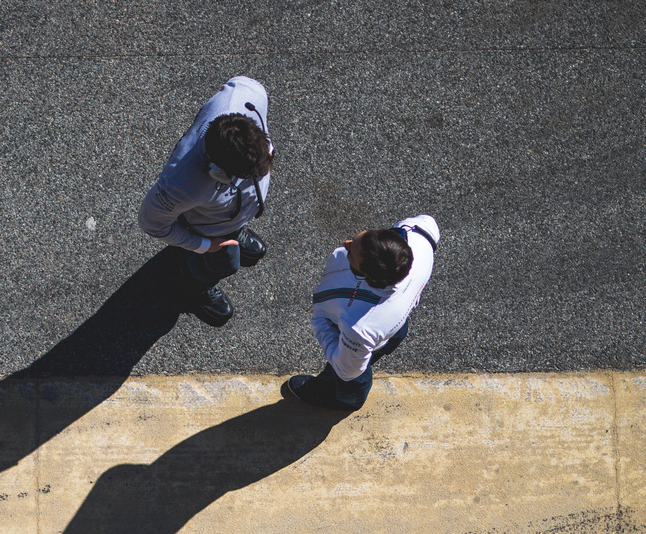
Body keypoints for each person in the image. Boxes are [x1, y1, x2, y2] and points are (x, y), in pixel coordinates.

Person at [137, 75, 274, 326]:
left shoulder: (250, 93)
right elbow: (151, 224)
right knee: (225, 264)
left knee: (232, 236)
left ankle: (237, 228)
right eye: (245, 177)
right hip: (211, 230)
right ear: (218, 173)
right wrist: (203, 244)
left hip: (231, 217)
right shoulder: (181, 184)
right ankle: (194, 280)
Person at [284, 216, 440, 411]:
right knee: (380, 344)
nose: (345, 244)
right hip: (394, 327)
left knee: (349, 378)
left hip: (365, 335)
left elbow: (346, 369)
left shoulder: (359, 328)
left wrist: (321, 321)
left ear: (370, 278)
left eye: (351, 255)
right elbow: (430, 224)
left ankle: (345, 399)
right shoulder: (421, 233)